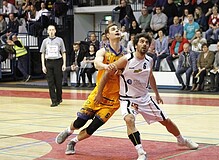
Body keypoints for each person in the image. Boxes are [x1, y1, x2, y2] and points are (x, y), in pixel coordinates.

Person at [105, 33, 199, 160]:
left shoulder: (150, 60)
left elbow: (150, 76)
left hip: (144, 98)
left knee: (166, 121)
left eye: (146, 42)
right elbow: (108, 71)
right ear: (136, 44)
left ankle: (182, 140)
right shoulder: (126, 59)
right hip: (127, 99)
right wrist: (100, 93)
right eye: (141, 41)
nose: (144, 44)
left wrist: (157, 94)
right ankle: (141, 152)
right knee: (129, 120)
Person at [55, 23, 125, 155]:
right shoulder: (103, 51)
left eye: (118, 29)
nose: (117, 31)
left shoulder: (125, 55)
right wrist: (106, 66)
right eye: (113, 29)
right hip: (98, 94)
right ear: (107, 35)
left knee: (93, 128)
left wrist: (122, 72)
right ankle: (68, 131)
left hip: (113, 100)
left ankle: (73, 142)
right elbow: (97, 63)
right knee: (79, 122)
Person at [40, 25, 66, 107]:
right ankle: (53, 100)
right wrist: (43, 65)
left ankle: (59, 97)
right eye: (49, 30)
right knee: (50, 82)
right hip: (49, 62)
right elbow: (42, 53)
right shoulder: (45, 41)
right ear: (47, 31)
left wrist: (64, 64)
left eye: (52, 30)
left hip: (58, 62)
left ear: (55, 31)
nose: (51, 31)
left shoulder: (60, 40)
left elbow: (63, 52)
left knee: (58, 82)